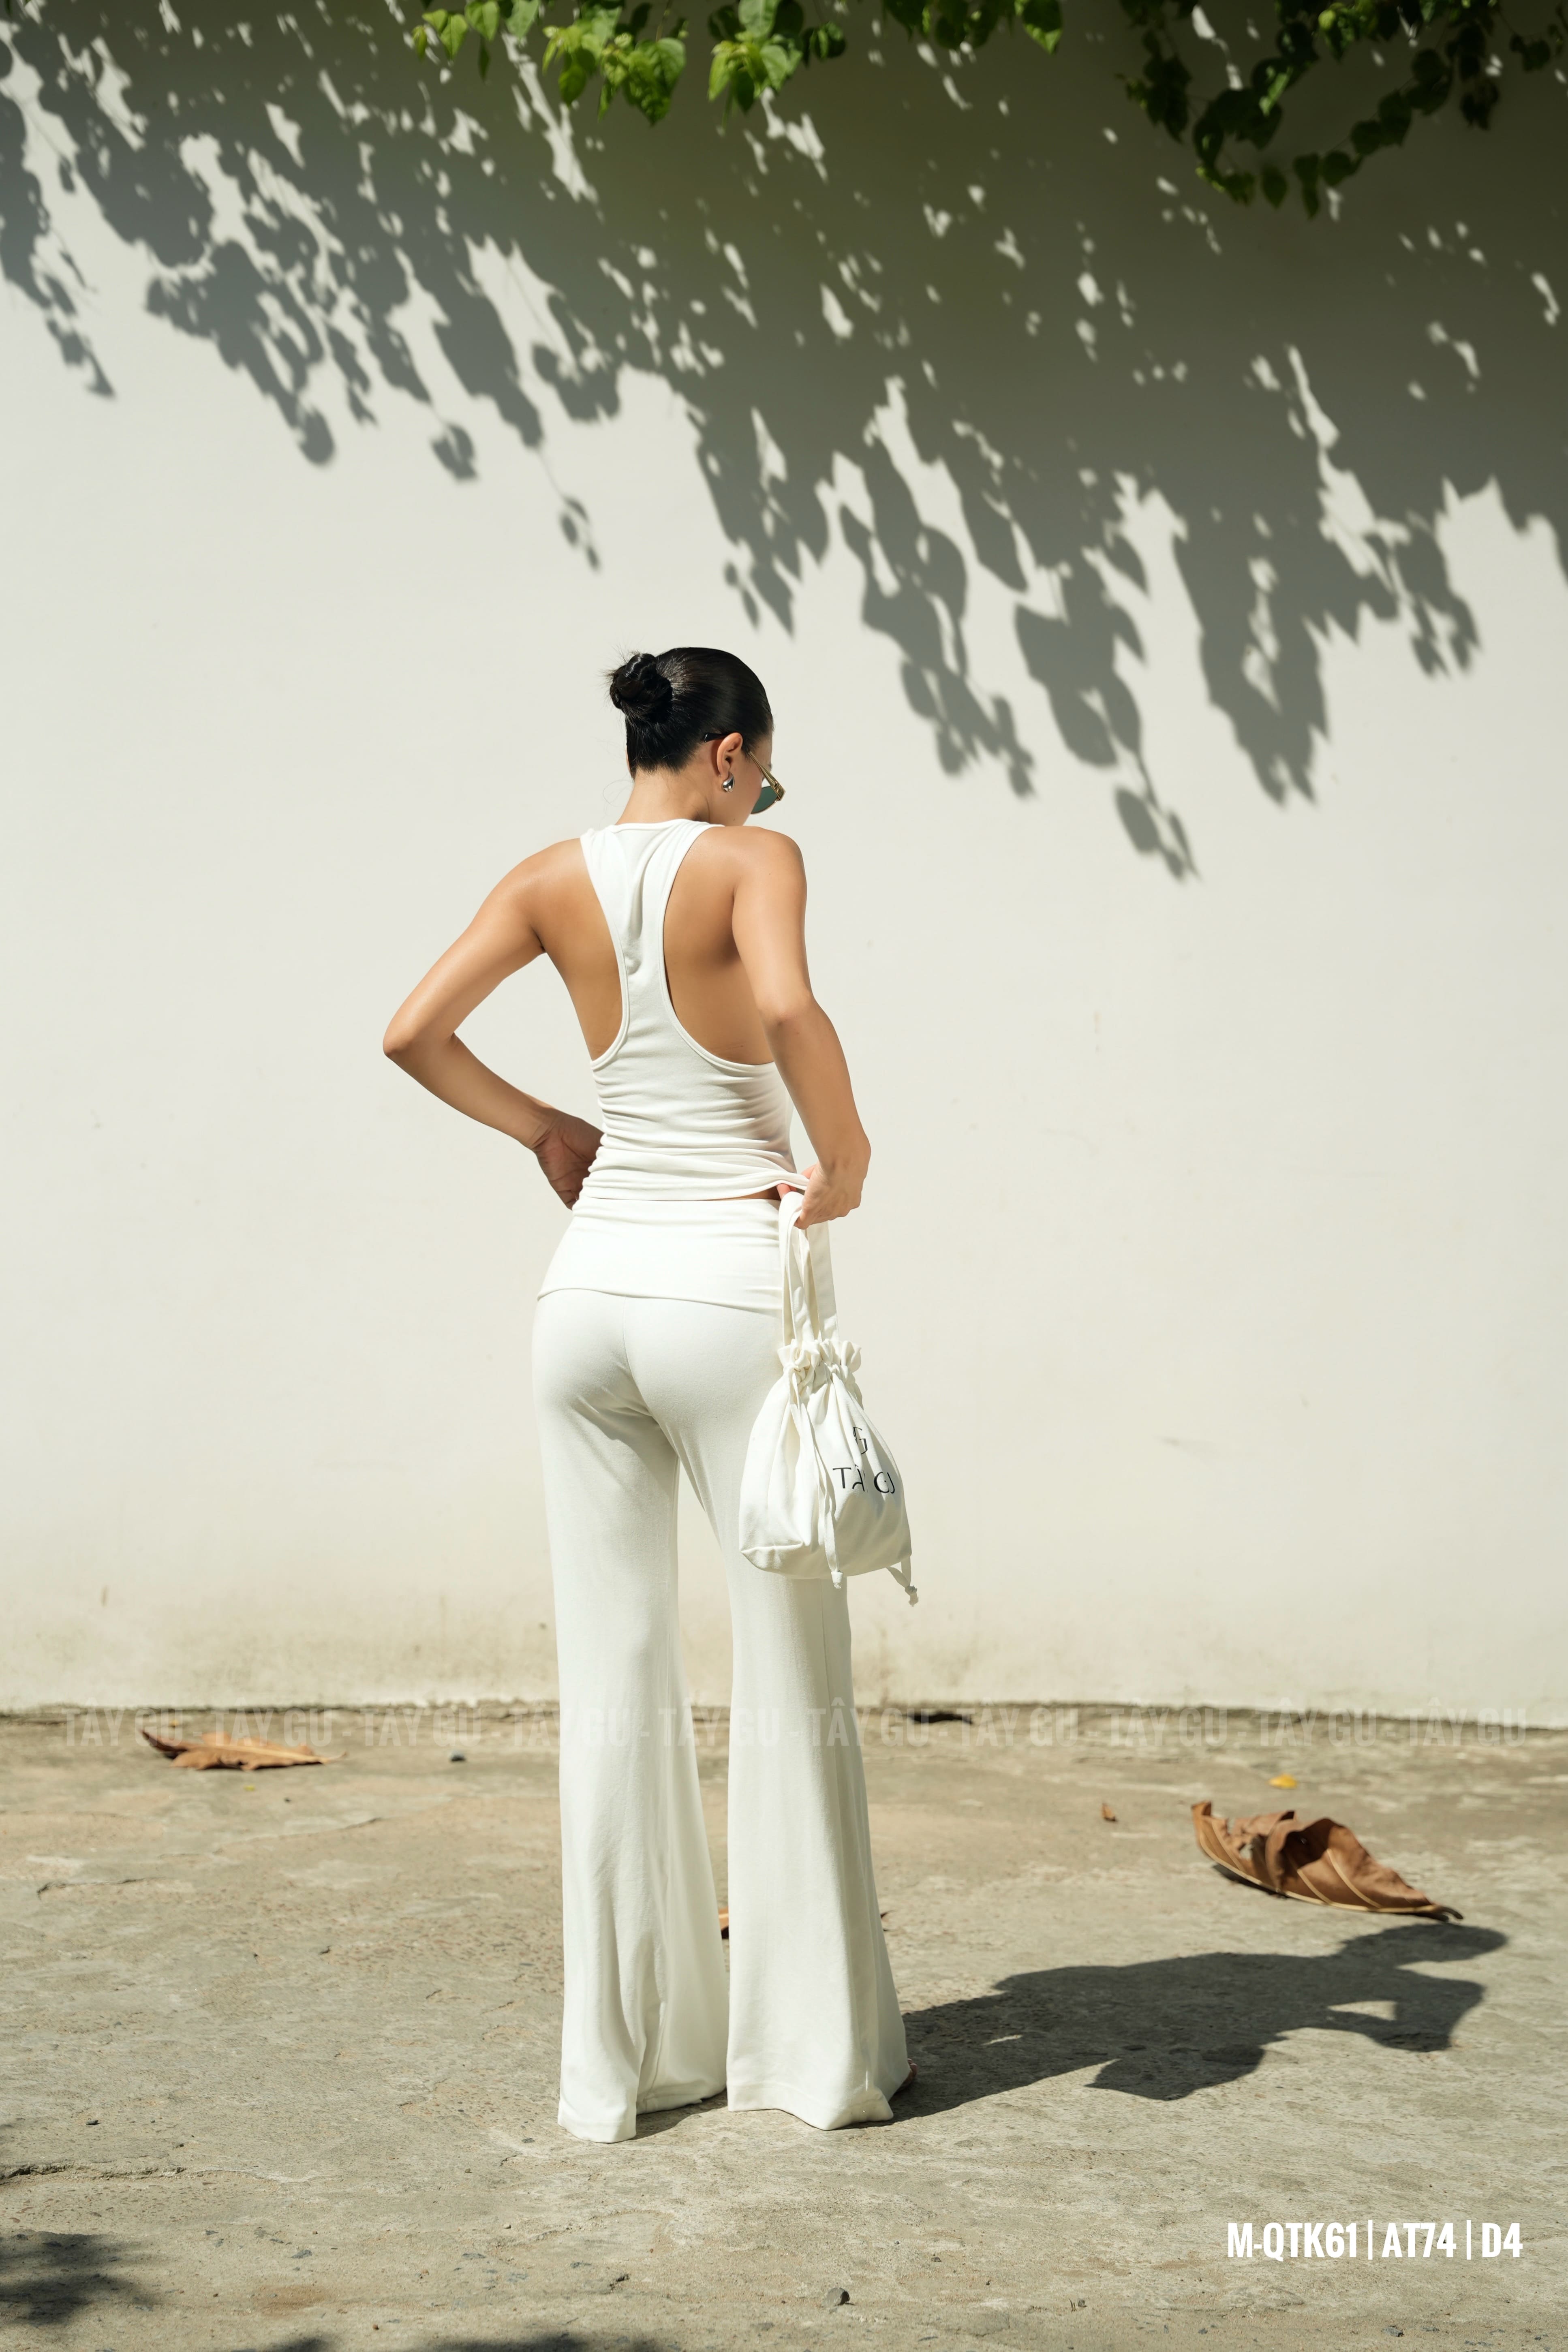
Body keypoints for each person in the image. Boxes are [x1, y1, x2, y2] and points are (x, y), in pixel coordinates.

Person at [383, 647, 909, 2143]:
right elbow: (790, 1007)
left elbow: (410, 1032)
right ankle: (811, 2061)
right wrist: (846, 1157)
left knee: (611, 1681)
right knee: (792, 1666)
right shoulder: (755, 859)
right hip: (723, 1295)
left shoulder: (547, 876)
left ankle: (621, 2071)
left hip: (585, 1307)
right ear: (730, 754)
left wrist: (546, 1127)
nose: (766, 797)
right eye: (765, 773)